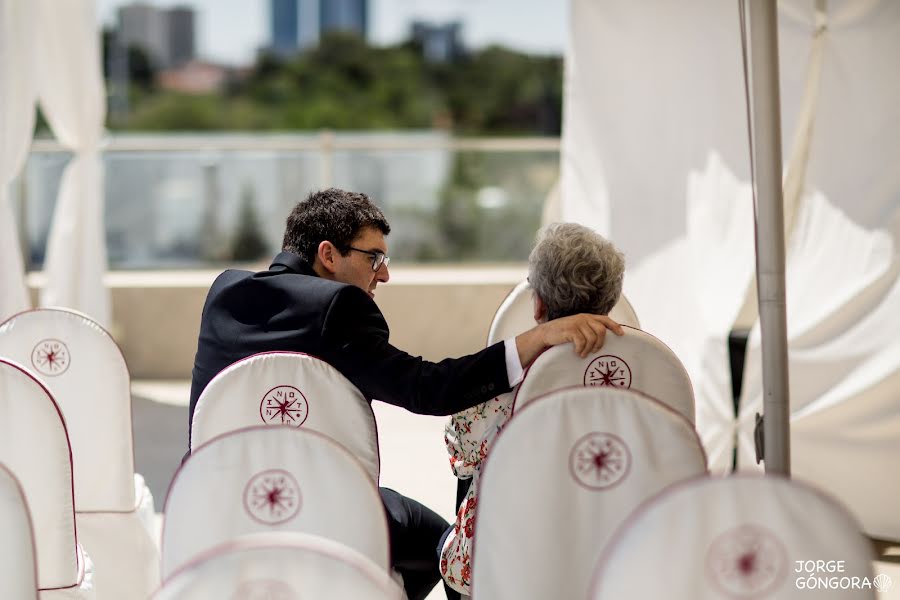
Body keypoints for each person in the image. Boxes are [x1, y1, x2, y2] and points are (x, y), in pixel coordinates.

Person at [188, 189, 623, 600]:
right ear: (328, 255)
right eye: (373, 257)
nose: (385, 272)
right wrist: (534, 340)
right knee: (441, 545)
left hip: (221, 509)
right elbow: (427, 389)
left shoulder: (224, 292)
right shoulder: (339, 306)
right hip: (327, 512)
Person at [440, 222, 626, 596]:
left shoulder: (505, 380)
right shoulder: (644, 374)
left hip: (511, 565)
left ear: (538, 303)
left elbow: (459, 452)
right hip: (607, 554)